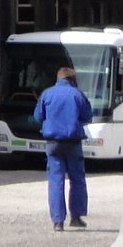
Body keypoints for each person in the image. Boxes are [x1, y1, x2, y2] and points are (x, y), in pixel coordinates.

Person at [35, 64, 94, 231]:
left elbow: (38, 116)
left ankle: (57, 221)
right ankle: (76, 217)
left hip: (53, 143)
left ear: (58, 78)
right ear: (72, 79)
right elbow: (88, 116)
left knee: (56, 180)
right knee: (77, 180)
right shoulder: (77, 94)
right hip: (73, 143)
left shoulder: (47, 94)